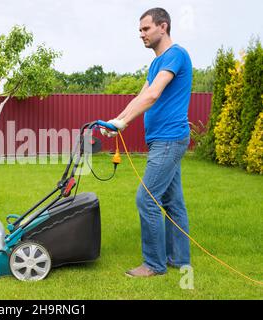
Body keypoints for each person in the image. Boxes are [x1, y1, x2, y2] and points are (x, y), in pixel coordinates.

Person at [102, 7, 192, 277]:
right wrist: (116, 121)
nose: (141, 34)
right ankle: (178, 258)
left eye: (146, 29)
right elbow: (139, 97)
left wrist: (125, 122)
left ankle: (153, 264)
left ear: (162, 27)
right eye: (140, 30)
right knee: (172, 202)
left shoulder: (176, 55)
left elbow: (153, 95)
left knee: (147, 199)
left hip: (169, 139)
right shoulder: (156, 63)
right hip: (162, 140)